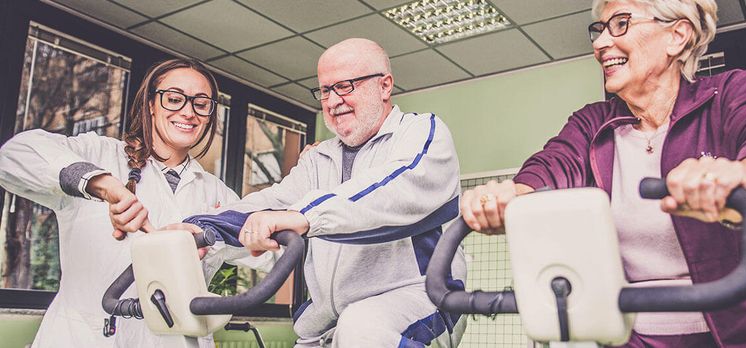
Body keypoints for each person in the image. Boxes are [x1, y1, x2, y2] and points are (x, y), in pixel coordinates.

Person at [460, 0, 746, 347]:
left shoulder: (726, 93)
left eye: (621, 23)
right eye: (599, 30)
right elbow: (553, 164)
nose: (599, 44)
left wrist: (745, 180)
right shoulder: (593, 123)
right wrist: (512, 199)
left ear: (677, 36)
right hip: (636, 336)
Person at [182, 38, 467, 348]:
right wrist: (204, 226)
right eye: (325, 90)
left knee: (362, 329)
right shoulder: (318, 160)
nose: (332, 101)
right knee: (352, 328)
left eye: (345, 86)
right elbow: (273, 202)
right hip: (328, 324)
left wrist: (302, 217)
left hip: (424, 300)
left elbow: (392, 188)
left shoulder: (421, 133)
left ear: (384, 86)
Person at [0, 58, 274, 347]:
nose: (188, 111)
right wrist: (101, 184)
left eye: (201, 103)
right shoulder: (100, 155)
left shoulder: (219, 196)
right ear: (151, 104)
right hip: (86, 338)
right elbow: (13, 156)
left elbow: (274, 253)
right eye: (174, 99)